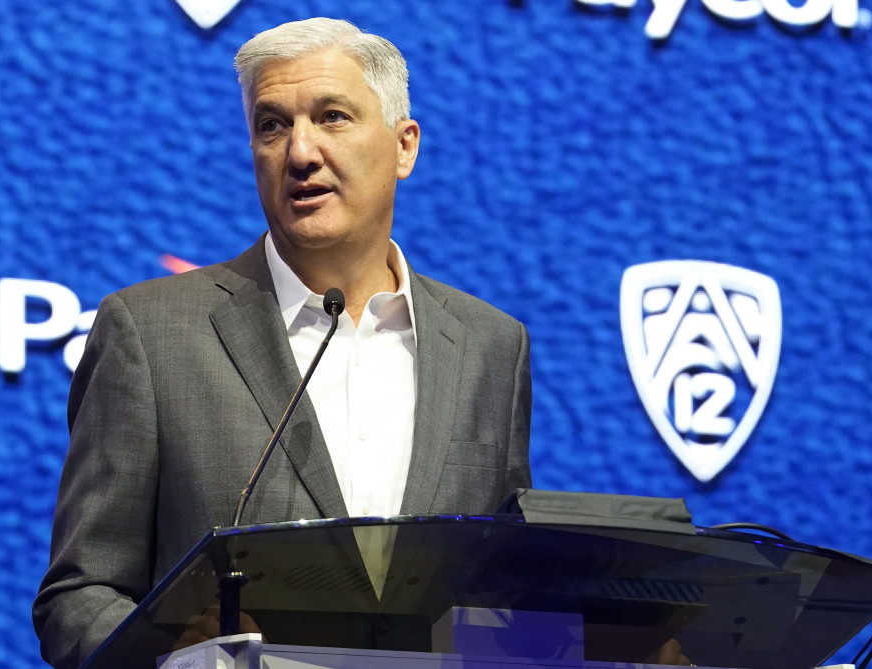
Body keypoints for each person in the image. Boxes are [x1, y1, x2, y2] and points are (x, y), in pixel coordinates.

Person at [32, 18, 532, 669]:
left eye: (332, 117)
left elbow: (511, 584)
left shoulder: (490, 346)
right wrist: (170, 656)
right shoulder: (150, 334)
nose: (299, 152)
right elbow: (79, 593)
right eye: (272, 125)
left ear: (404, 147)